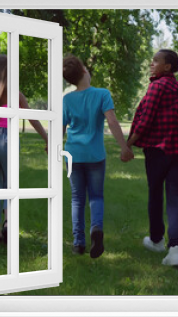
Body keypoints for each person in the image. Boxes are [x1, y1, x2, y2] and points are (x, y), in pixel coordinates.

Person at [63, 55, 133, 258]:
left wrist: (55, 149)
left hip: (73, 155)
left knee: (77, 198)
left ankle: (78, 243)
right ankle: (96, 229)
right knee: (96, 196)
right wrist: (124, 147)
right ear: (85, 71)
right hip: (95, 155)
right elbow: (112, 121)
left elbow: (60, 128)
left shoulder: (67, 99)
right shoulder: (103, 94)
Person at [0, 54, 48, 248]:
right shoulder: (16, 95)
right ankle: (8, 221)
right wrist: (47, 138)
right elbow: (32, 118)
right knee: (10, 185)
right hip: (8, 139)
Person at [127, 49, 178, 267]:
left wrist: (129, 143)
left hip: (157, 150)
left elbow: (145, 119)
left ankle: (156, 240)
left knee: (155, 194)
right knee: (174, 197)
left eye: (155, 61)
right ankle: (176, 248)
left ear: (167, 67)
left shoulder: (157, 86)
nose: (151, 64)